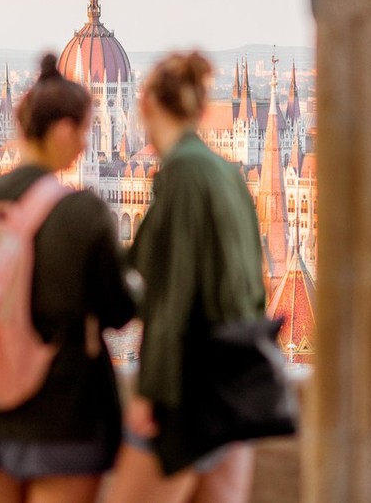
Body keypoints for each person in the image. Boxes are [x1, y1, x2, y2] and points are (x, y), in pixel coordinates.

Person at [0, 53, 135, 503]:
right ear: (62, 130)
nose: (86, 143)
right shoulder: (84, 214)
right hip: (64, 422)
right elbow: (118, 312)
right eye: (84, 130)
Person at [107, 51, 267, 503]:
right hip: (237, 389)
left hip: (188, 394)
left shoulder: (179, 175)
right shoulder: (229, 175)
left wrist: (147, 396)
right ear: (200, 111)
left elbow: (170, 297)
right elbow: (253, 285)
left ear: (146, 108)